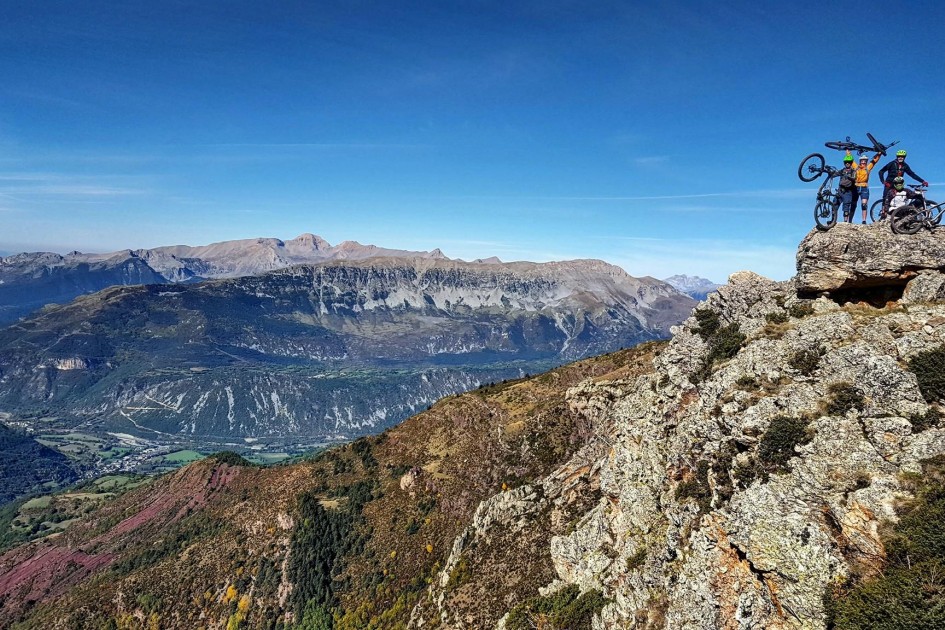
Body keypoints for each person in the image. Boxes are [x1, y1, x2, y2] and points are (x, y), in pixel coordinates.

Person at [879, 150, 928, 216]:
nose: (900, 158)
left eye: (902, 157)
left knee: (903, 196)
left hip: (899, 184)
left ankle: (900, 212)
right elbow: (881, 171)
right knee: (885, 198)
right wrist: (883, 182)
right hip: (889, 184)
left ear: (904, 157)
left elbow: (912, 174)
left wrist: (922, 181)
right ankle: (883, 212)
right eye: (899, 156)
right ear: (897, 157)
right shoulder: (891, 163)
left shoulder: (905, 166)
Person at [853, 153, 881, 224]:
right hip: (855, 187)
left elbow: (874, 161)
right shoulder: (856, 167)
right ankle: (849, 221)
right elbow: (851, 160)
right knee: (853, 204)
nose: (863, 162)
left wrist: (879, 153)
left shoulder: (868, 168)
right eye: (862, 160)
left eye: (865, 160)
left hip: (864, 187)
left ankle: (864, 220)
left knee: (864, 205)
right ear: (860, 161)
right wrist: (847, 151)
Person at [837, 154, 857, 222]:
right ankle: (832, 220)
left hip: (848, 191)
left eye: (848, 162)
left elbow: (854, 178)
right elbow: (835, 174)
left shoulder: (853, 171)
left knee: (846, 206)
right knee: (835, 204)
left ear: (851, 163)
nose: (847, 163)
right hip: (840, 190)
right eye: (846, 162)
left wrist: (848, 177)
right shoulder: (842, 170)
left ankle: (845, 221)